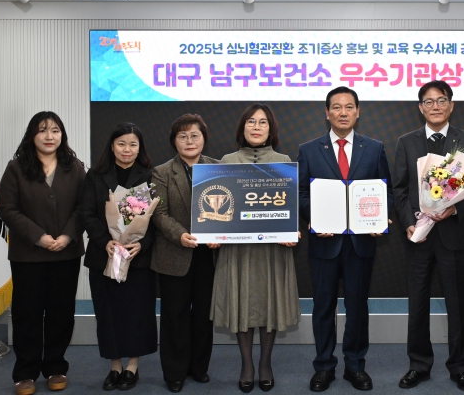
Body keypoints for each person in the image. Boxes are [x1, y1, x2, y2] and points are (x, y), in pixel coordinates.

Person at [297, 86, 393, 392]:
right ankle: (324, 366)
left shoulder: (374, 148)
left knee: (357, 307)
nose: (342, 112)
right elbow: (300, 193)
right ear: (327, 113)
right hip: (324, 243)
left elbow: (385, 189)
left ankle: (355, 366)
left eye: (349, 107)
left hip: (360, 244)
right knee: (323, 306)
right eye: (336, 107)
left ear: (358, 111)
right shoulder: (308, 150)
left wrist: (382, 218)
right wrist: (315, 217)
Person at [394, 80, 464, 392]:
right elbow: (399, 188)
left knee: (457, 306)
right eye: (429, 101)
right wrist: (408, 223)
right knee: (417, 304)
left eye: (441, 100)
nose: (436, 106)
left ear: (451, 105)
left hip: (453, 235)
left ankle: (460, 367)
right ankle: (418, 365)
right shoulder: (406, 142)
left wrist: (455, 209)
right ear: (421, 107)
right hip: (418, 236)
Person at [210, 104, 301, 393]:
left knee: (269, 303)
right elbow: (217, 203)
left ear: (271, 129)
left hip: (273, 249)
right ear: (243, 127)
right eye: (251, 121)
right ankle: (247, 364)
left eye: (263, 122)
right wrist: (212, 233)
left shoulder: (283, 161)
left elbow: (290, 207)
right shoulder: (227, 161)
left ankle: (265, 364)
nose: (257, 126)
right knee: (242, 303)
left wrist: (292, 230)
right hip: (238, 251)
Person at [0, 112, 86, 395]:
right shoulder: (16, 167)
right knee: (27, 314)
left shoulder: (75, 167)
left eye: (55, 130)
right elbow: (7, 208)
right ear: (31, 135)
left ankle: (56, 367)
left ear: (62, 135)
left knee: (61, 313)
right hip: (28, 255)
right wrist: (39, 237)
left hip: (66, 253)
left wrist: (68, 235)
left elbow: (84, 207)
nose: (49, 136)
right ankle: (25, 373)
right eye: (42, 130)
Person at [80, 122, 158, 391]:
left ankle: (133, 366)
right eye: (121, 143)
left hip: (138, 259)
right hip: (104, 255)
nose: (127, 149)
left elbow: (156, 219)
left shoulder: (150, 176)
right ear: (112, 146)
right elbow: (86, 213)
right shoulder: (95, 175)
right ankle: (115, 366)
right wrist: (106, 241)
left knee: (137, 313)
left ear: (140, 148)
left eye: (133, 144)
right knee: (108, 313)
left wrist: (142, 244)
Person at [151, 114, 220, 393]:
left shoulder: (219, 168)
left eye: (195, 135)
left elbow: (231, 208)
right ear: (174, 141)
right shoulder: (161, 172)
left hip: (209, 256)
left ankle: (199, 367)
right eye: (182, 136)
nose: (189, 141)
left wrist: (220, 237)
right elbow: (159, 213)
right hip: (174, 253)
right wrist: (180, 234)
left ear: (204, 138)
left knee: (204, 315)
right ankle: (175, 372)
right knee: (174, 315)